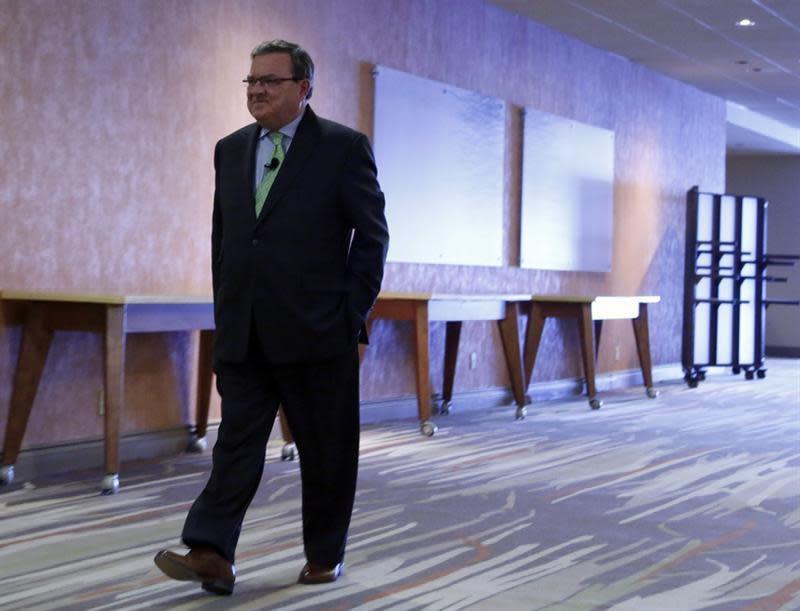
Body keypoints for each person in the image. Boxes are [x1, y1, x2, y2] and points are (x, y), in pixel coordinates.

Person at [154, 39, 388, 595]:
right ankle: (211, 550)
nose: (256, 89)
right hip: (246, 330)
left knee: (326, 451)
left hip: (317, 331)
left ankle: (324, 554)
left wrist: (347, 315)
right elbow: (226, 242)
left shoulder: (342, 148)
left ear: (304, 88)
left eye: (271, 81)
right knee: (235, 442)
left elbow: (372, 239)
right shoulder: (230, 149)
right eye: (251, 81)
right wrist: (226, 314)